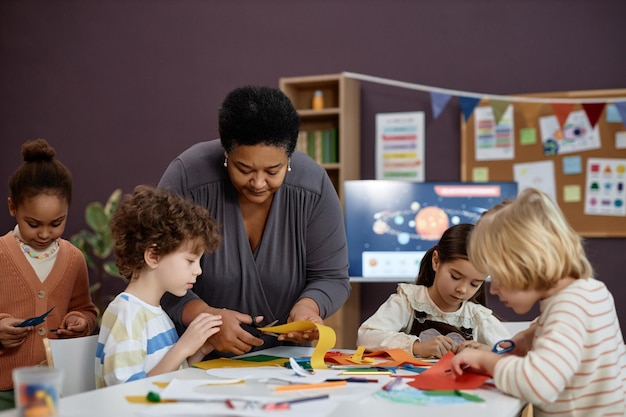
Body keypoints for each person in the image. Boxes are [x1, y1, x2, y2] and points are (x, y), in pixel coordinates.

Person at [158, 85, 350, 357]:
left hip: (286, 362)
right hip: (193, 357)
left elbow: (332, 277)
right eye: (243, 169)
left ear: (289, 159)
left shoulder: (313, 188)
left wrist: (310, 307)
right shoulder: (188, 179)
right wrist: (204, 318)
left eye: (273, 170)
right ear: (226, 153)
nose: (259, 183)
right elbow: (153, 271)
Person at [449, 188, 626, 416]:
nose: (492, 289)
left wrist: (486, 360)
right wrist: (531, 336)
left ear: (527, 263)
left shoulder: (569, 307)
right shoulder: (591, 291)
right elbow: (574, 345)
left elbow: (539, 385)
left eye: (498, 275)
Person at [0, 139, 98, 410]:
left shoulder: (74, 259)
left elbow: (86, 309)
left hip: (55, 384)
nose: (45, 234)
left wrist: (79, 321)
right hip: (4, 388)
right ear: (12, 208)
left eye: (57, 223)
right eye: (33, 224)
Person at [95, 186, 223, 387]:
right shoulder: (126, 313)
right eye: (190, 261)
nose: (198, 270)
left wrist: (199, 350)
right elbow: (127, 390)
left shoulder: (154, 313)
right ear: (153, 256)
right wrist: (182, 348)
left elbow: (165, 376)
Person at [357, 223, 510, 358]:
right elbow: (366, 337)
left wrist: (488, 351)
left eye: (475, 284)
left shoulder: (477, 317)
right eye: (455, 277)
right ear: (436, 261)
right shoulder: (409, 300)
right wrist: (417, 346)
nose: (462, 289)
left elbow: (511, 354)